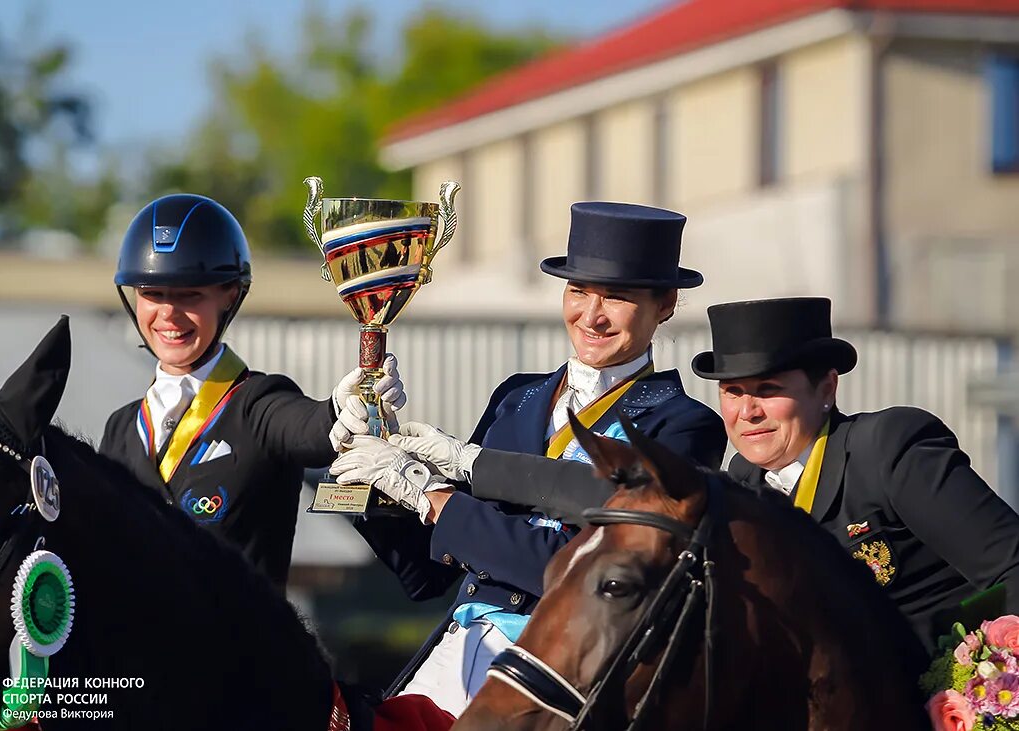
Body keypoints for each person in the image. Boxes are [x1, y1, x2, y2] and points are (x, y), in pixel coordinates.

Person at [330, 201, 726, 716]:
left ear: (666, 305)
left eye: (618, 298)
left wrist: (433, 498)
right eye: (578, 291)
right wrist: (371, 475)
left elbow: (580, 567)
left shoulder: (681, 426)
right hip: (455, 650)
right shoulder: (516, 397)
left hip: (560, 667)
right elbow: (430, 572)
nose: (592, 315)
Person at [99, 193, 405, 590]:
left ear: (229, 293)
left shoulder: (258, 403)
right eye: (152, 294)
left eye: (190, 293)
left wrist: (342, 409)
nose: (168, 314)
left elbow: (308, 429)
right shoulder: (120, 429)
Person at [691, 297, 1019, 646]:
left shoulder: (888, 449)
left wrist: (972, 675)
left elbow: (1011, 568)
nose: (747, 412)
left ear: (827, 389)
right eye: (733, 392)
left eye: (768, 390)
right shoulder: (742, 482)